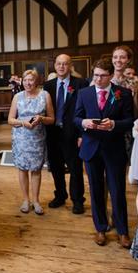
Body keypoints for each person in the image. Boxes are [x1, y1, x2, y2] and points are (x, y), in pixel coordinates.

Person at [74, 58, 134, 248]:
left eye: (102, 76)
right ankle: (100, 228)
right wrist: (84, 123)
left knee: (117, 191)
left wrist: (114, 124)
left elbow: (130, 120)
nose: (98, 79)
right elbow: (76, 117)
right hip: (91, 147)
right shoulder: (84, 93)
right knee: (96, 190)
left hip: (114, 148)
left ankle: (123, 231)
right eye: (96, 75)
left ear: (110, 76)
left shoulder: (122, 93)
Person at [43, 54, 89, 214]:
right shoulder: (47, 85)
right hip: (52, 133)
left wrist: (82, 134)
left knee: (75, 168)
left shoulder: (81, 84)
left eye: (65, 64)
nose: (61, 67)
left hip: (73, 133)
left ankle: (77, 200)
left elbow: (85, 110)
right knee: (56, 168)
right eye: (59, 64)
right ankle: (60, 196)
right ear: (55, 66)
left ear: (70, 66)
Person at [8, 70, 54, 215]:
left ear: (36, 81)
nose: (28, 83)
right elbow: (10, 119)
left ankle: (36, 200)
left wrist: (41, 118)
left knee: (36, 169)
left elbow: (52, 119)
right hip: (21, 138)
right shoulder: (17, 97)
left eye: (31, 80)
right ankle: (26, 200)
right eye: (25, 80)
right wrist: (22, 123)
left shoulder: (44, 95)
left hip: (37, 138)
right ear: (22, 81)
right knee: (22, 169)